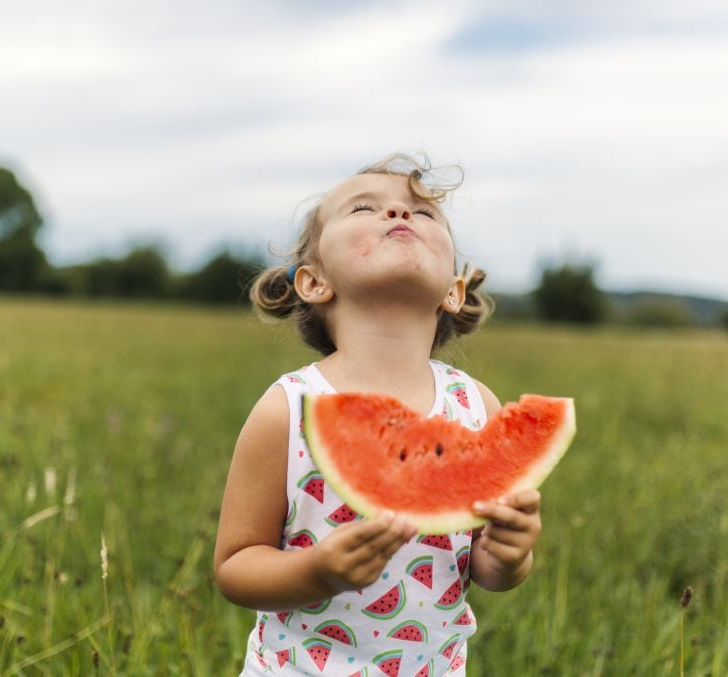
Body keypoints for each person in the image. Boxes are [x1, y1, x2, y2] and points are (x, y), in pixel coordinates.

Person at [214, 154, 543, 675]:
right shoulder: (289, 409)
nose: (399, 215)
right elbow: (234, 566)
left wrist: (509, 557)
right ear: (313, 282)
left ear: (454, 291)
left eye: (425, 214)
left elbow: (482, 570)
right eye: (365, 207)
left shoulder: (477, 406)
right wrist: (316, 572)